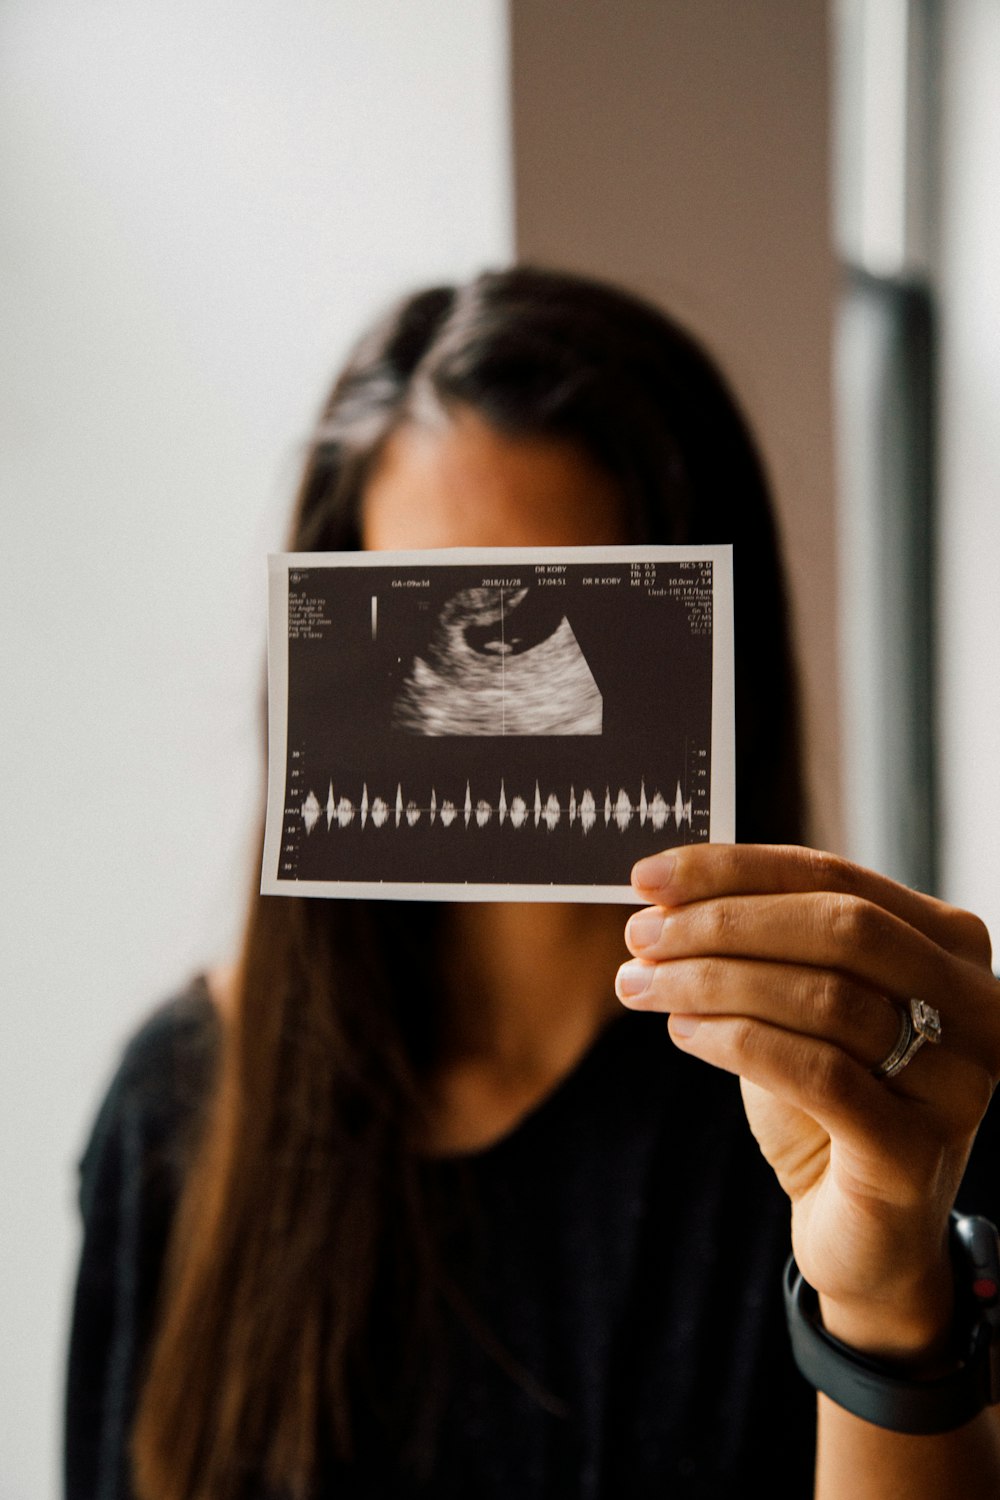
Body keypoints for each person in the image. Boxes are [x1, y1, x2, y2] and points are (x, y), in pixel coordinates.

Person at [65, 267, 1000, 1500]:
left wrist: (885, 1294)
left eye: (571, 620)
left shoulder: (866, 1105)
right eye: (430, 618)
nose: (498, 706)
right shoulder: (182, 1115)